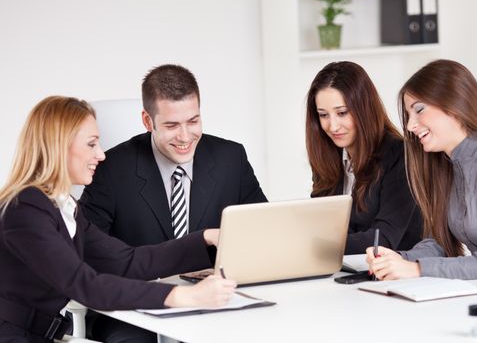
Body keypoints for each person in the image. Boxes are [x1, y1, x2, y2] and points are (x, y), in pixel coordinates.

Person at [0, 96, 237, 342]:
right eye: (91, 144)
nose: (101, 155)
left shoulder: (64, 208)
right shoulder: (24, 208)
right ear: (59, 146)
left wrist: (205, 239)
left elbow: (127, 261)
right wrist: (183, 296)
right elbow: (85, 285)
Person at [79, 64, 267, 341]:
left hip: (214, 299)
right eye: (171, 125)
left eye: (193, 121)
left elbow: (261, 231)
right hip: (136, 308)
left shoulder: (230, 158)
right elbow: (87, 254)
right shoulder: (110, 169)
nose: (185, 136)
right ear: (147, 121)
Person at [366, 59, 477, 285]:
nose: (410, 125)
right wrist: (397, 259)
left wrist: (416, 268)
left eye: (419, 110)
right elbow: (439, 242)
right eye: (408, 115)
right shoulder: (444, 165)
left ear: (455, 106)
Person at [305, 61, 422, 255]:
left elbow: (383, 239)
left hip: (400, 275)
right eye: (323, 115)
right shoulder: (328, 157)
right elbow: (323, 226)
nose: (333, 126)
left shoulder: (399, 155)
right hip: (348, 270)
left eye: (342, 113)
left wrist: (315, 245)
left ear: (364, 108)